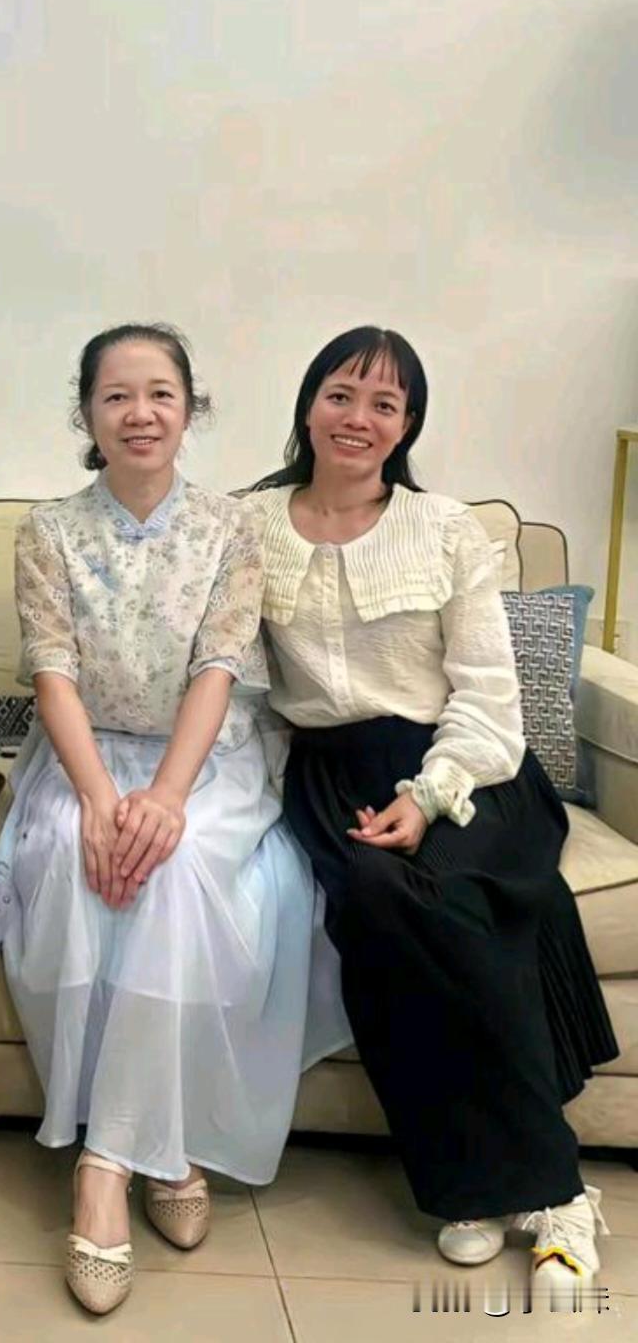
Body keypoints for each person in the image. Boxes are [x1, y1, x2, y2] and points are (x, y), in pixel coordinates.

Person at [247, 325, 618, 1305]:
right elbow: (235, 681)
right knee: (376, 897)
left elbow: (489, 693)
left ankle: (539, 1187)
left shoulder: (446, 527)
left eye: (385, 403)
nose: (358, 417)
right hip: (332, 776)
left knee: (445, 895)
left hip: (469, 767)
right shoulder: (246, 525)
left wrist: (426, 792)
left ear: (407, 424)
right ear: (307, 404)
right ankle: (500, 1182)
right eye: (340, 393)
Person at [0, 324, 349, 1316]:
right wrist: (102, 799)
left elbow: (218, 669)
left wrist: (167, 799)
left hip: (206, 757)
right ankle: (159, 1148)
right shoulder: (49, 530)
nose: (138, 413)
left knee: (177, 869)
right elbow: (52, 670)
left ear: (190, 409)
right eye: (115, 396)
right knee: (77, 861)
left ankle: (108, 1160)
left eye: (159, 394)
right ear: (86, 414)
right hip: (84, 754)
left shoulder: (232, 527)